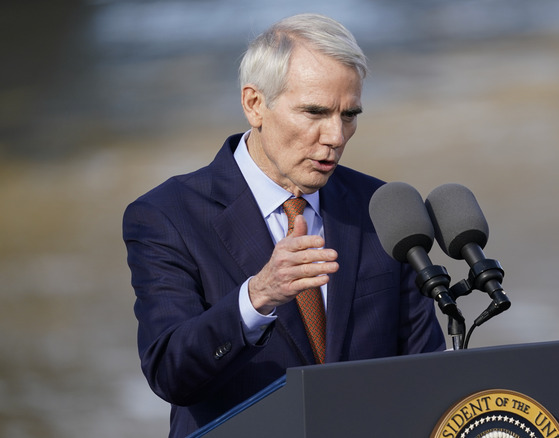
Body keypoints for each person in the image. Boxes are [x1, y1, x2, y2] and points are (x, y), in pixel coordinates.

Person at [122, 13, 445, 437]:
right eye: (315, 111)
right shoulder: (167, 215)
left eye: (349, 115)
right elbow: (170, 374)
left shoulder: (382, 209)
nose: (335, 135)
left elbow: (426, 369)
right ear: (255, 104)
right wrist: (257, 297)